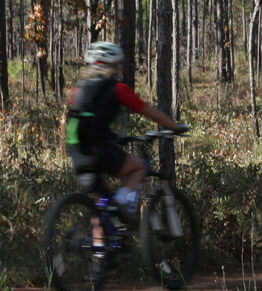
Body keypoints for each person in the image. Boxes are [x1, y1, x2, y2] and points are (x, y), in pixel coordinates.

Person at [65, 41, 187, 217]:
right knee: (139, 167)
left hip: (76, 151)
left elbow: (79, 119)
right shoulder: (118, 88)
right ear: (114, 65)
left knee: (102, 203)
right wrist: (174, 126)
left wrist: (113, 137)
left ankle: (100, 244)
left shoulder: (79, 88)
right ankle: (122, 205)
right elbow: (148, 111)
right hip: (98, 150)